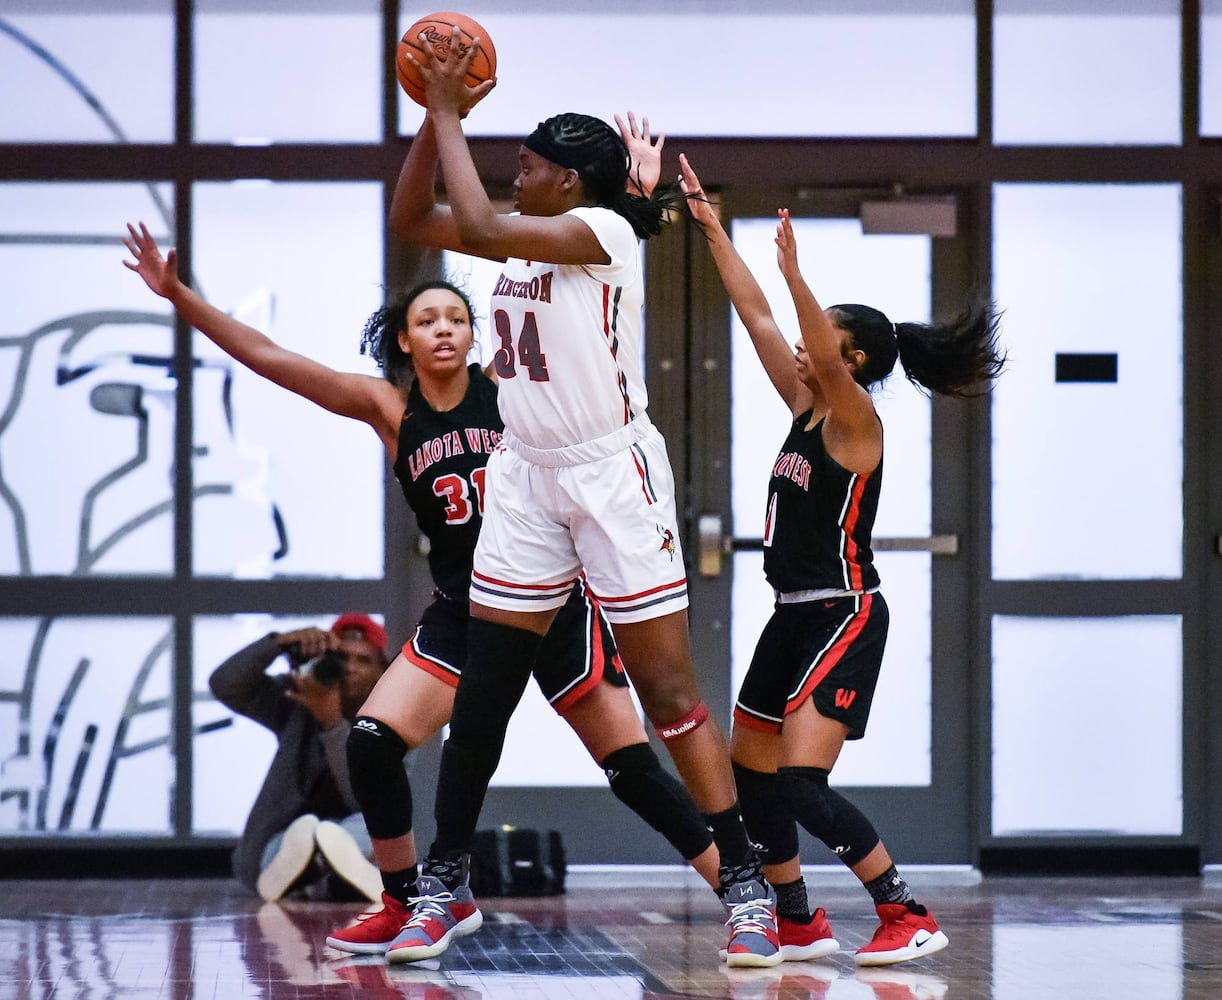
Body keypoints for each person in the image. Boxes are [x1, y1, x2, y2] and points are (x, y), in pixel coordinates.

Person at [121, 223, 720, 957]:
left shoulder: (514, 396)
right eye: (427, 320)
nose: (443, 329)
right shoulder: (391, 410)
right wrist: (181, 296)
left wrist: (621, 210)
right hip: (468, 610)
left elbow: (586, 331)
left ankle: (743, 892)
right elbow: (273, 359)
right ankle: (410, 902)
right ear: (404, 341)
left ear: (476, 336)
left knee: (632, 769)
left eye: (456, 319)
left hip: (558, 604)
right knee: (371, 743)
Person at [388, 34, 777, 968]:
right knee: (483, 692)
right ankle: (446, 882)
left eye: (525, 165)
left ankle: (748, 882)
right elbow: (417, 218)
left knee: (668, 690)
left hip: (611, 473)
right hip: (524, 473)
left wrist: (447, 109)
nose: (510, 174)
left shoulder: (600, 234)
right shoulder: (523, 232)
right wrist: (435, 121)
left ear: (569, 181)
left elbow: (476, 225)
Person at [679, 153, 1004, 967]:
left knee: (797, 781)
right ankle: (796, 918)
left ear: (851, 361)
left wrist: (798, 274)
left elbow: (810, 345)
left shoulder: (854, 421)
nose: (799, 345)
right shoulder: (803, 407)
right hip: (791, 614)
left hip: (845, 610)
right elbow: (755, 318)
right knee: (750, 773)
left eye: (820, 340)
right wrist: (714, 229)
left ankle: (905, 912)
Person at [208, 612, 390, 903]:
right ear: (325, 662)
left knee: (379, 817)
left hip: (356, 835)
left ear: (383, 671)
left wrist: (331, 721)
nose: (351, 668)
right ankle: (322, 867)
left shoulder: (395, 719)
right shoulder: (298, 696)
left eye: (364, 660)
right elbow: (224, 684)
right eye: (341, 658)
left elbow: (364, 799)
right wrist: (278, 644)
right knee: (299, 836)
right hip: (290, 836)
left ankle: (314, 867)